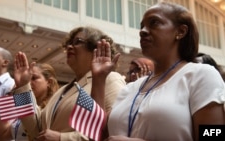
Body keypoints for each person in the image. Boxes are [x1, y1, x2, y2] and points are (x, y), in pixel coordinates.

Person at [90, 1, 225, 141]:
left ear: (180, 31)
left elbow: (214, 136)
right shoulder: (130, 88)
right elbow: (97, 134)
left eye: (154, 23)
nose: (142, 31)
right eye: (142, 26)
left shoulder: (201, 75)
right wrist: (99, 80)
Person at [11, 26, 126, 141]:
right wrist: (23, 87)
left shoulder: (109, 79)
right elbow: (35, 129)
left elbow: (112, 129)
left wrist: (62, 138)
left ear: (95, 48)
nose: (70, 46)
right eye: (69, 43)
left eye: (77, 42)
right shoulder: (63, 90)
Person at [0, 63, 59, 141]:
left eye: (34, 78)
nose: (28, 82)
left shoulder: (54, 109)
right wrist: (9, 99)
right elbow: (1, 137)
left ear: (49, 82)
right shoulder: (22, 102)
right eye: (27, 78)